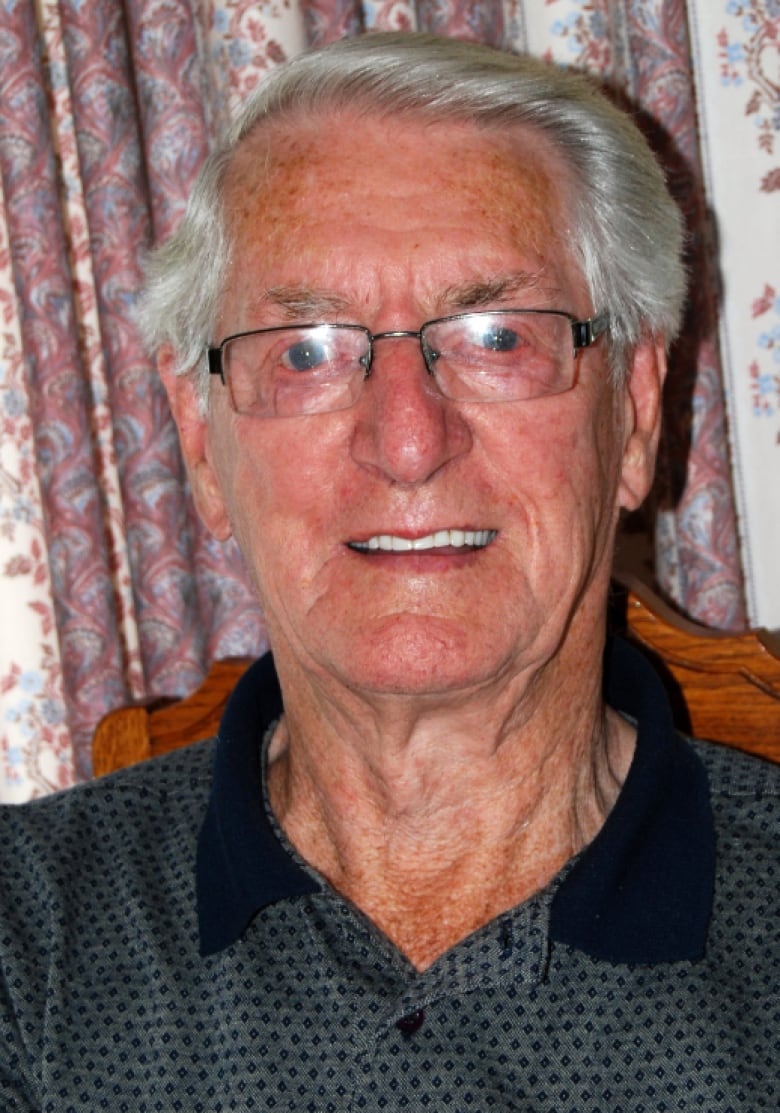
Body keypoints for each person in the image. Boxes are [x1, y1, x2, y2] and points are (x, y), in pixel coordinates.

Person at [1, 32, 777, 1111]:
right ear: (200, 441)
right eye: (307, 350)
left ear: (636, 414)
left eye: (498, 337)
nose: (408, 440)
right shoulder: (28, 945)